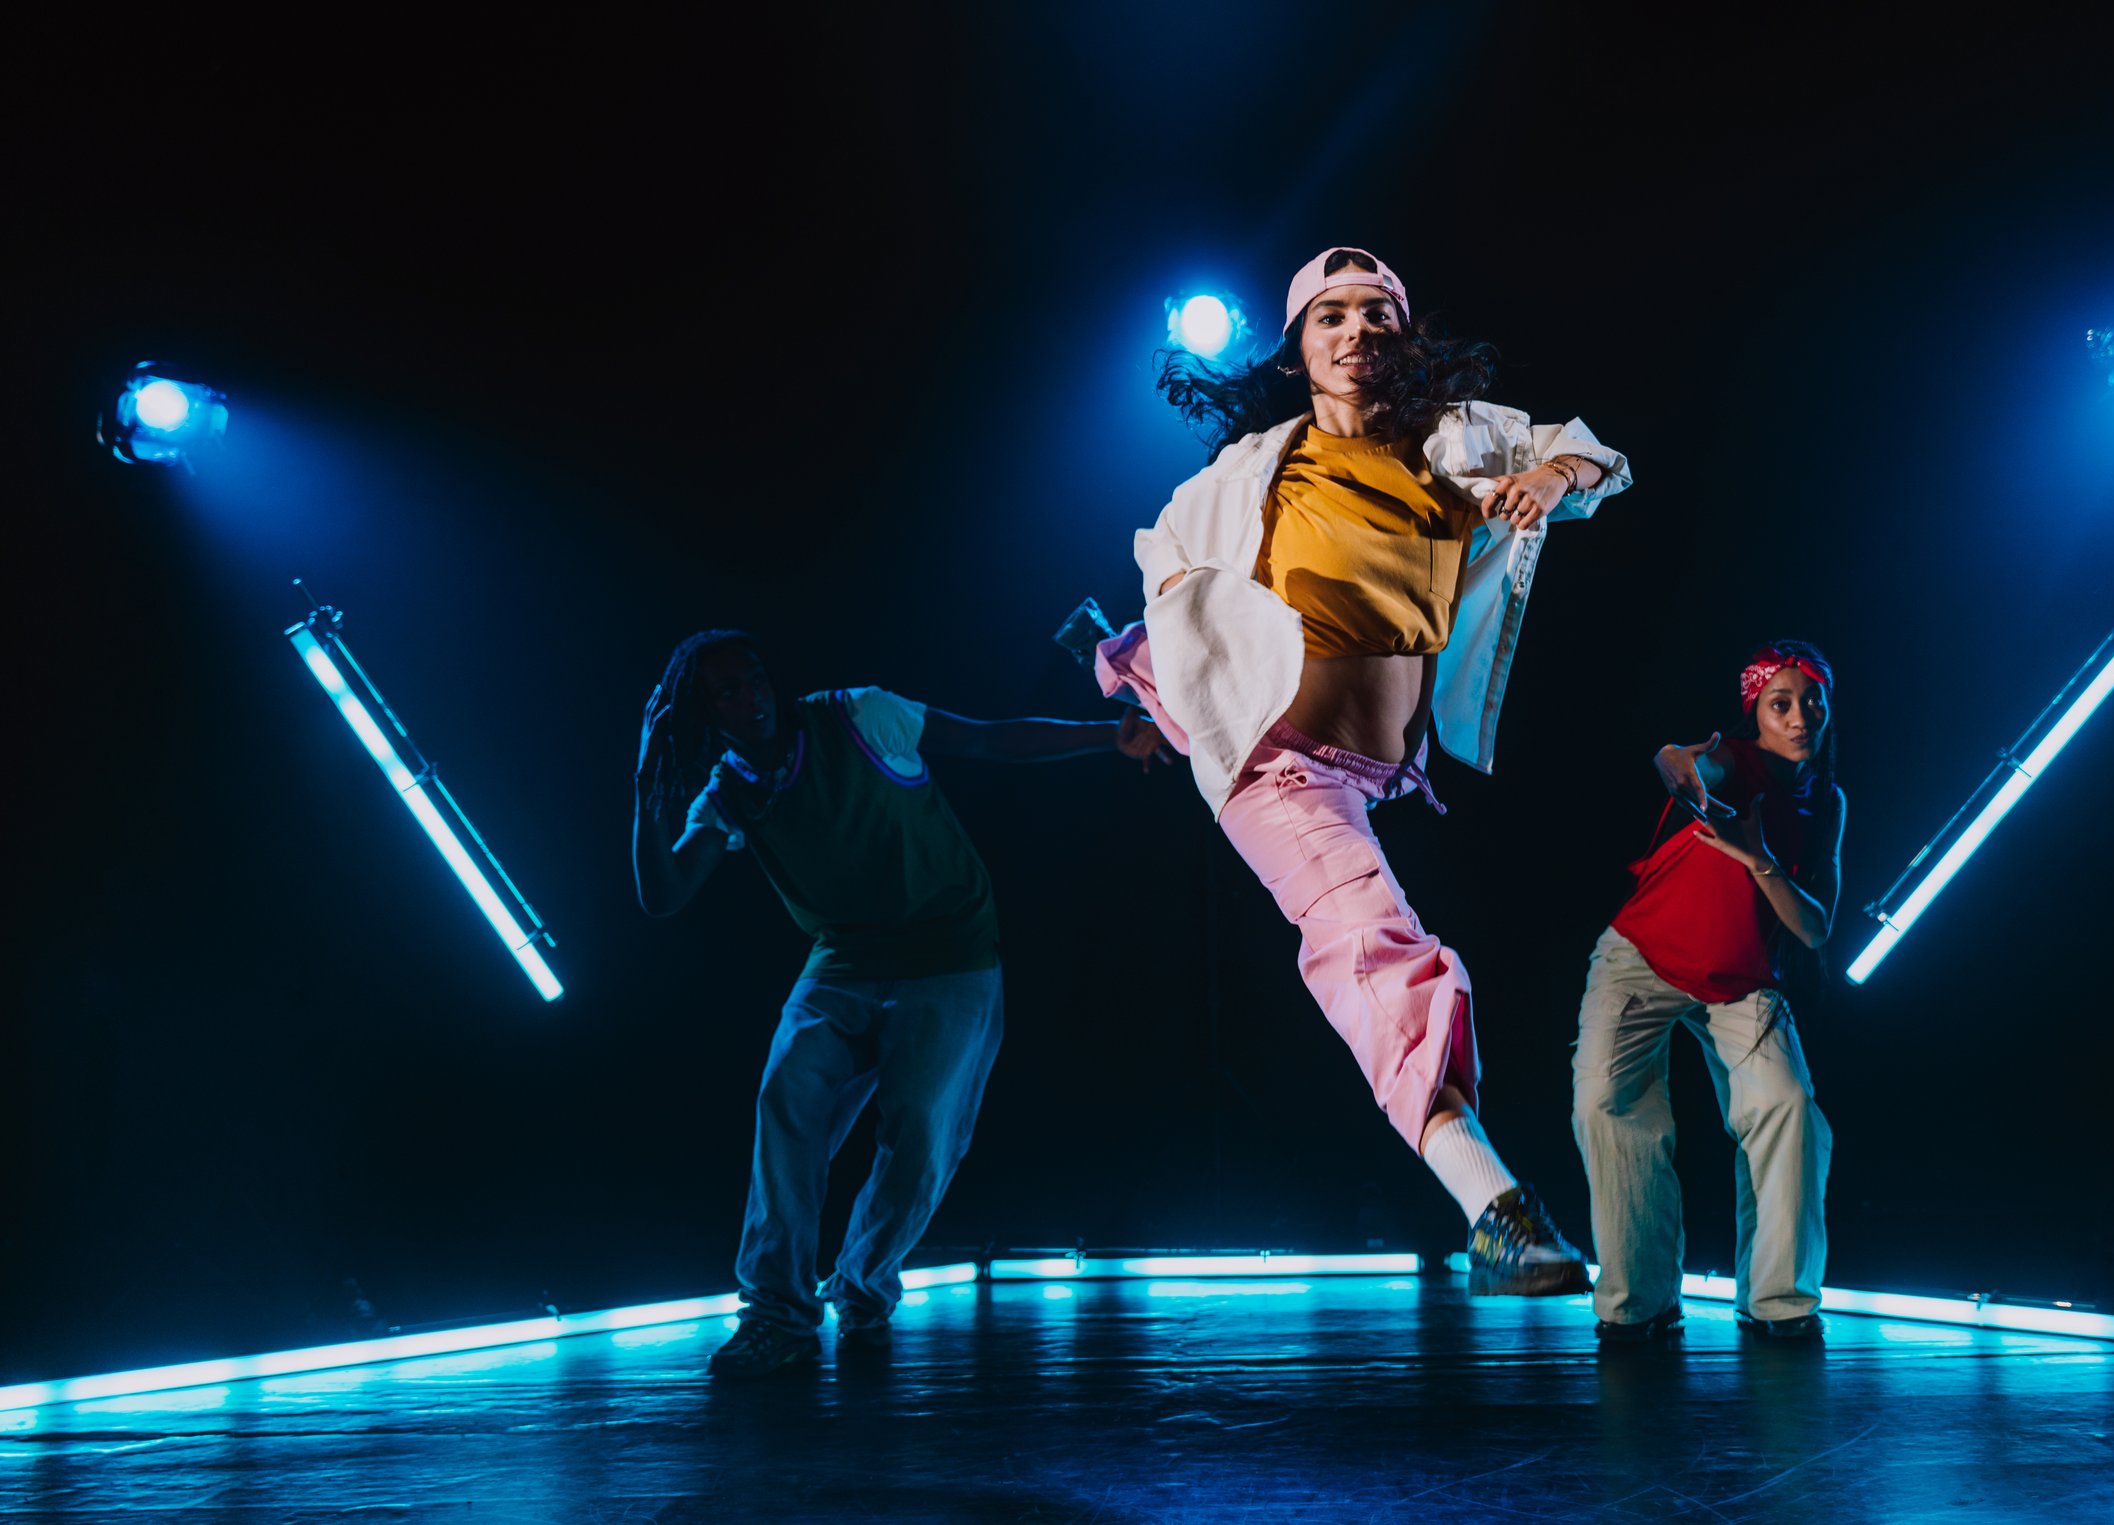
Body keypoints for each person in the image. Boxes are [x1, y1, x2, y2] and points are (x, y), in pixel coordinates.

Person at [1088, 246, 1631, 1294]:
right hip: (1280, 769)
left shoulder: (1457, 444)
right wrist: (1168, 686)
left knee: (1390, 943)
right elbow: (1172, 572)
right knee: (1372, 950)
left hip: (1380, 772)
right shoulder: (1253, 470)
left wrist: (1548, 477)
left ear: (1403, 335)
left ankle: (1491, 1204)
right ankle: (1495, 1209)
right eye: (1329, 316)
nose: (1355, 331)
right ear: (1299, 349)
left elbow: (1594, 452)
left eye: (1376, 312)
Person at [633, 629, 1169, 1377]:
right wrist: (647, 777)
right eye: (726, 691)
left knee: (920, 1135)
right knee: (786, 1108)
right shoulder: (728, 791)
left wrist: (1105, 737)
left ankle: (861, 1287)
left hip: (948, 950)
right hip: (844, 961)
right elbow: (661, 894)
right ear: (703, 711)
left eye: (753, 677)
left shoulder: (857, 714)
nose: (750, 697)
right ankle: (777, 1314)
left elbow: (987, 739)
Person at [1571, 641, 1844, 1343]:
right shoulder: (1736, 761)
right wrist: (1684, 771)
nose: (1799, 716)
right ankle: (1641, 1303)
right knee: (1606, 1103)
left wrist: (1759, 859)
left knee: (1786, 1105)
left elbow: (1815, 928)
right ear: (1757, 710)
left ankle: (1777, 1299)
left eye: (1812, 702)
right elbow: (1683, 761)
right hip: (1643, 958)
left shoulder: (1826, 802)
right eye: (1781, 703)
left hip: (1740, 979)